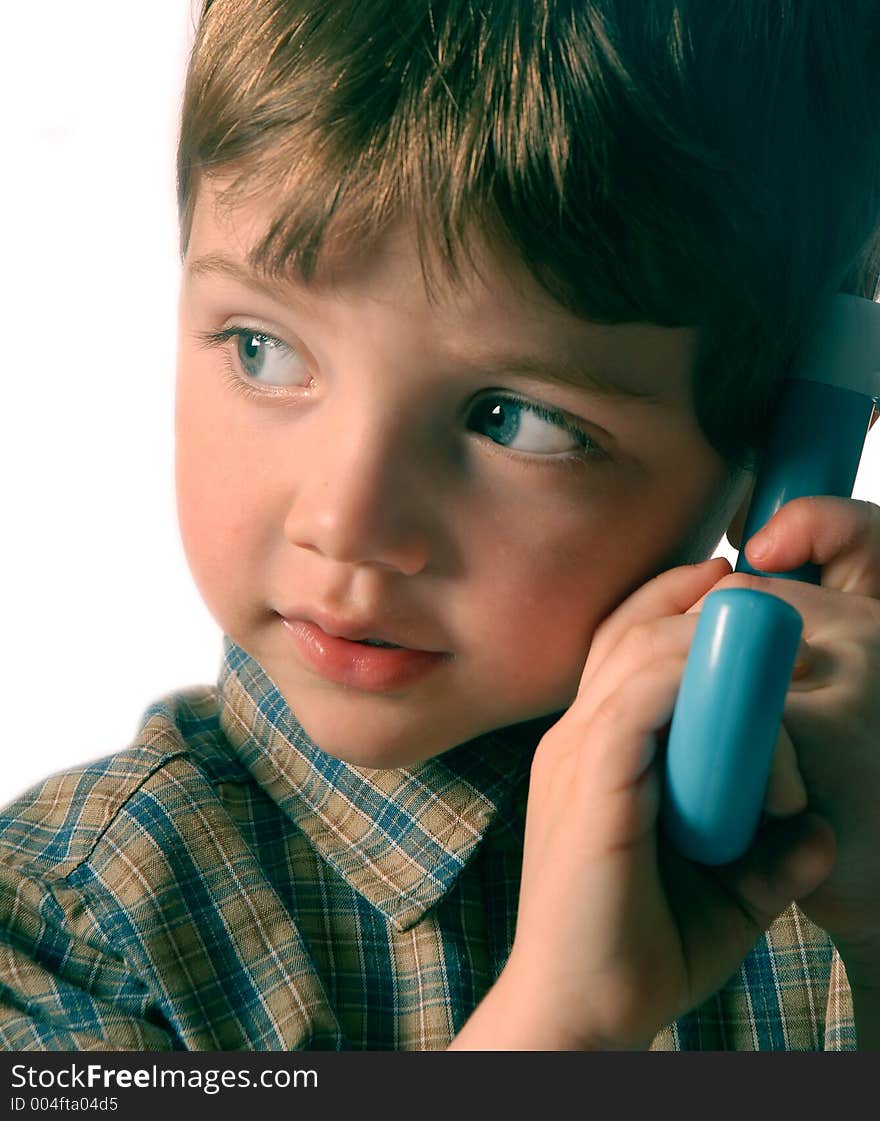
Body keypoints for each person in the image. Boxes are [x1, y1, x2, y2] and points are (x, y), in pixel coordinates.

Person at [1, 0, 879, 1051]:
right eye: (262, 350)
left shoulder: (831, 867)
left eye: (515, 420)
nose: (346, 520)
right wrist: (560, 1026)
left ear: (779, 443)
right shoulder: (73, 929)